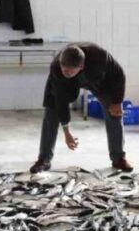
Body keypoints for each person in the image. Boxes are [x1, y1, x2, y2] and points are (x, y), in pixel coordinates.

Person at [30, 43, 133, 174]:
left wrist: (117, 101)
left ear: (81, 66)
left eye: (70, 70)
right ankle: (44, 160)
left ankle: (119, 158)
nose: (66, 72)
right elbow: (60, 101)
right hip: (65, 85)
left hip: (98, 82)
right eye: (64, 69)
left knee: (115, 114)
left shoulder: (100, 58)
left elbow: (119, 75)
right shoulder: (57, 68)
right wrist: (67, 132)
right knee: (51, 114)